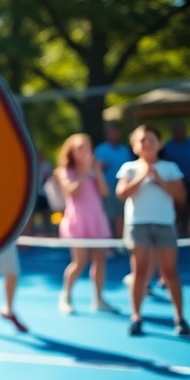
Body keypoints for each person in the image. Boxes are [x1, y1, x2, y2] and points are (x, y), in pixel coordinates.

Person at [117, 125, 187, 336]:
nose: (147, 144)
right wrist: (142, 176)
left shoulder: (170, 168)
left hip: (164, 224)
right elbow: (121, 193)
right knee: (139, 272)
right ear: (135, 145)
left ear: (160, 143)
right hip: (138, 225)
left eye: (151, 140)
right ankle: (136, 317)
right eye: (142, 140)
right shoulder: (129, 168)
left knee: (170, 272)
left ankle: (180, 318)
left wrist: (159, 179)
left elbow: (181, 197)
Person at [54, 133, 116, 314]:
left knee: (100, 260)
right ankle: (66, 295)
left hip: (96, 220)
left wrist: (96, 172)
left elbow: (105, 192)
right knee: (80, 261)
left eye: (87, 147)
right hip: (78, 222)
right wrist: (82, 173)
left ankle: (99, 299)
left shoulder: (93, 171)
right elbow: (73, 192)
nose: (85, 151)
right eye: (80, 148)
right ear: (71, 152)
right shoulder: (65, 172)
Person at [94, 123, 134, 239]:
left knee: (122, 214)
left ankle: (120, 241)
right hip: (108, 188)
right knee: (109, 214)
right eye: (111, 132)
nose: (114, 134)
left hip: (124, 187)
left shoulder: (125, 150)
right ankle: (109, 240)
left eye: (116, 131)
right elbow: (96, 168)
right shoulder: (101, 149)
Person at [159, 119, 190, 236]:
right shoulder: (168, 146)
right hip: (174, 183)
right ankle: (175, 231)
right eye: (176, 129)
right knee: (176, 206)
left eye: (180, 129)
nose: (179, 132)